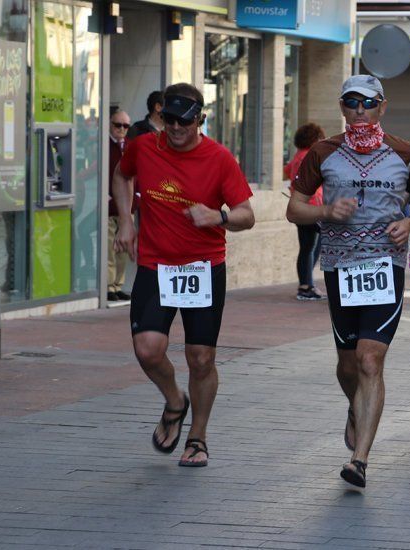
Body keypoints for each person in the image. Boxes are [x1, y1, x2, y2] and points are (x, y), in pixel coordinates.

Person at [286, 75, 410, 487]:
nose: (360, 110)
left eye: (368, 103)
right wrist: (325, 213)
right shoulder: (323, 153)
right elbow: (294, 209)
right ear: (341, 106)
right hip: (340, 269)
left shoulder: (406, 152)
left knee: (370, 358)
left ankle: (360, 460)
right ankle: (356, 407)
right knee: (347, 364)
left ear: (382, 107)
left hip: (384, 267)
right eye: (352, 102)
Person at [112, 83, 255, 467]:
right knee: (147, 349)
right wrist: (126, 222)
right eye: (168, 120)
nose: (175, 128)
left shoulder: (219, 159)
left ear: (200, 120)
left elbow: (247, 214)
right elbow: (122, 176)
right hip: (155, 264)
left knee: (201, 357)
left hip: (203, 267)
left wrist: (218, 216)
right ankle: (175, 400)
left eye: (184, 121)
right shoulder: (144, 147)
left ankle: (197, 437)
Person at [285, 123, 327, 301]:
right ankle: (306, 286)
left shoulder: (297, 156)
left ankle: (306, 282)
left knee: (310, 247)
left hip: (304, 208)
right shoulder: (309, 156)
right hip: (310, 208)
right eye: (319, 138)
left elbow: (288, 173)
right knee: (310, 248)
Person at [107, 108, 133, 302]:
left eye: (125, 126)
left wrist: (136, 199)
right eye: (118, 125)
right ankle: (108, 286)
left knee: (123, 249)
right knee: (109, 248)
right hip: (108, 207)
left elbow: (136, 177)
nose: (121, 129)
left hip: (127, 209)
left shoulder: (130, 147)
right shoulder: (103, 146)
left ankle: (118, 285)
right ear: (110, 124)